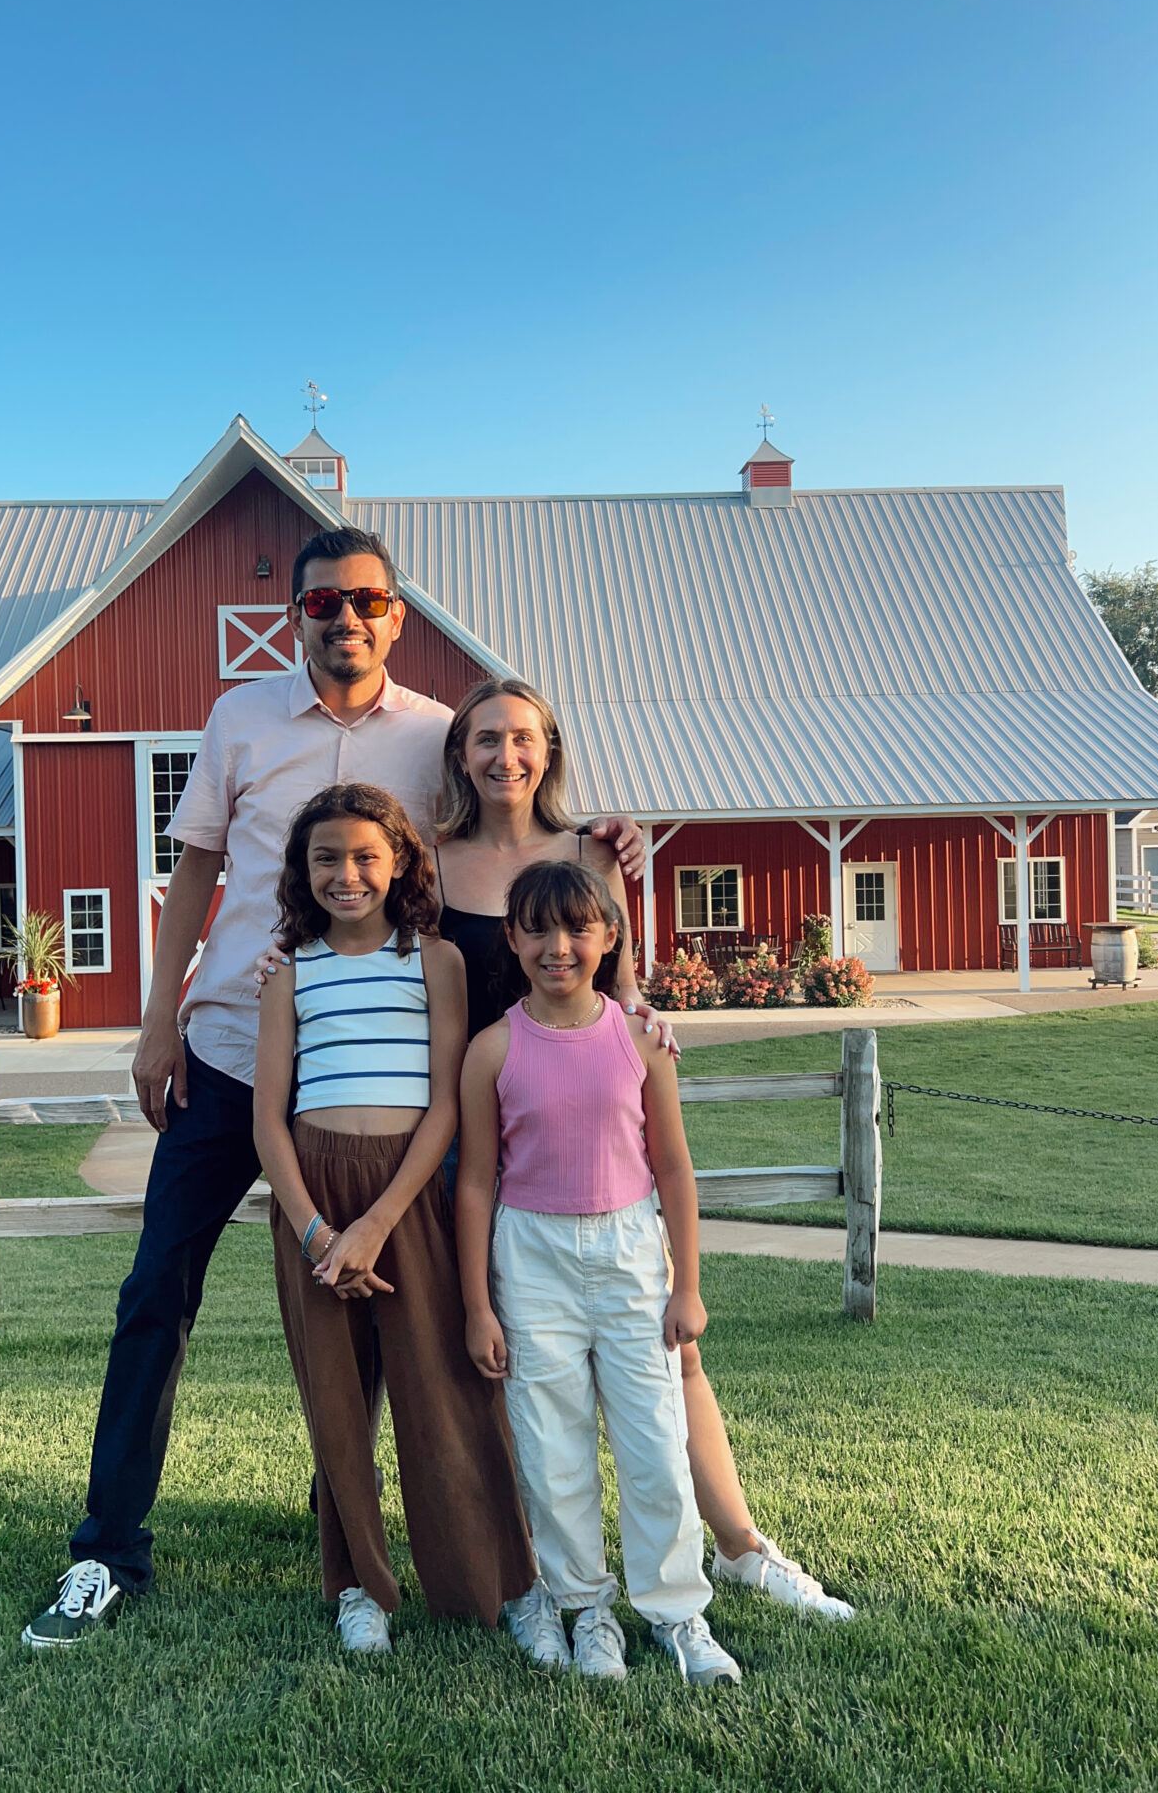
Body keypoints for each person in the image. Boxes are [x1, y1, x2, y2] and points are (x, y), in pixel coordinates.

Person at [22, 525, 641, 1649]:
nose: (343, 619)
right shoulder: (238, 720)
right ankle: (107, 1550)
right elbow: (195, 874)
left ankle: (364, 1532)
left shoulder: (435, 737)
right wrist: (158, 1022)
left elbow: (506, 817)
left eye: (365, 601)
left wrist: (595, 843)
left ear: (396, 614)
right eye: (320, 605)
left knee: (408, 1309)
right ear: (293, 617)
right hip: (228, 1052)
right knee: (157, 1287)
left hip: (389, 1078)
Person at [432, 677, 853, 1620]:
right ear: (459, 752)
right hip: (483, 1140)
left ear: (549, 752)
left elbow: (623, 990)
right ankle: (540, 1574)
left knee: (675, 1359)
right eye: (487, 738)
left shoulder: (592, 850)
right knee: (513, 1372)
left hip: (599, 1149)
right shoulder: (431, 863)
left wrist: (649, 1021)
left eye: (525, 739)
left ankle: (742, 1545)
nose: (507, 756)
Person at [253, 783, 538, 1652]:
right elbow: (267, 1117)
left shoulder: (435, 960)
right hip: (313, 1192)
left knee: (448, 1391)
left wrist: (377, 1223)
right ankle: (361, 1589)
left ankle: (499, 1582)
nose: (347, 874)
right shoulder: (288, 972)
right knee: (336, 1404)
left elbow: (449, 1105)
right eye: (326, 858)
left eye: (367, 856)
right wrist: (315, 1232)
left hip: (407, 1193)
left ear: (403, 861)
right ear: (303, 872)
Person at [458, 859, 741, 1686]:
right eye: (537, 930)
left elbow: (676, 1170)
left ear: (609, 937)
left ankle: (677, 1612)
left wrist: (686, 1286)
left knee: (653, 1440)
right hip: (531, 1255)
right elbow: (475, 1182)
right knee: (551, 1446)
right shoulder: (493, 1049)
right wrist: (478, 1305)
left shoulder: (642, 1041)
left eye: (577, 928)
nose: (557, 947)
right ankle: (585, 1610)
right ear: (511, 939)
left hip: (628, 1254)